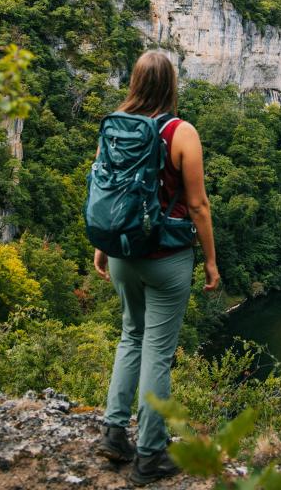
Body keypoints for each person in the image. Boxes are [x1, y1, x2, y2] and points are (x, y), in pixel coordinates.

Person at [92, 50, 221, 486]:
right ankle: (149, 455)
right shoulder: (181, 132)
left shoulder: (113, 126)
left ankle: (114, 433)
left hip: (123, 252)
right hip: (166, 258)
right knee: (158, 354)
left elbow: (105, 191)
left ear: (134, 82)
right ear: (171, 85)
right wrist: (210, 261)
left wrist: (102, 247)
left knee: (131, 334)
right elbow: (199, 205)